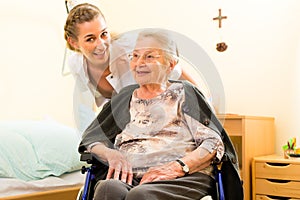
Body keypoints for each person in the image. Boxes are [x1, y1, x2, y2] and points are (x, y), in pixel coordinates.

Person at [79, 29, 243, 200]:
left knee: (140, 196)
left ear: (170, 64)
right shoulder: (124, 97)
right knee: (107, 188)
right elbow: (92, 138)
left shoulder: (185, 93)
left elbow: (213, 143)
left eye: (149, 56)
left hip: (182, 178)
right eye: (134, 56)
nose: (139, 63)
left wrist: (177, 167)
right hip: (131, 177)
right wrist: (110, 154)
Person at [63, 3, 199, 132]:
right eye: (90, 39)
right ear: (73, 42)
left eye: (104, 34)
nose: (101, 44)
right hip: (129, 120)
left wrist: (204, 105)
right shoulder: (76, 64)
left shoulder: (130, 48)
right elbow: (86, 107)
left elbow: (174, 68)